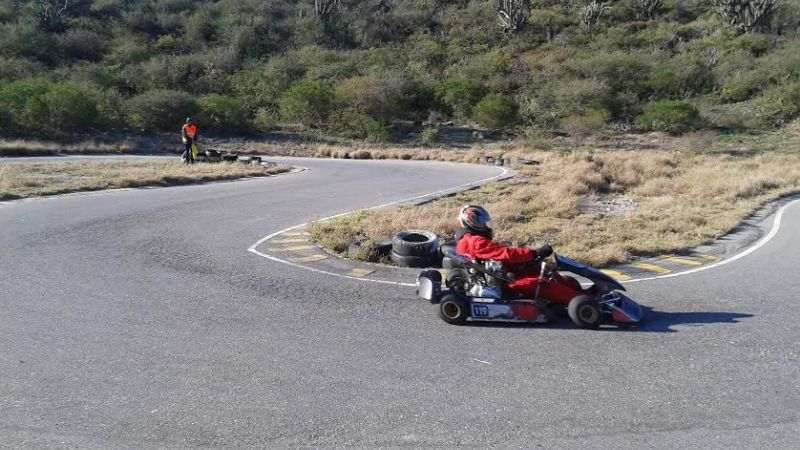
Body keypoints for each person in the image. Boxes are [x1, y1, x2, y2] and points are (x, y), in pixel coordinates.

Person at [454, 204, 582, 322]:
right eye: (481, 223)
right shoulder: (474, 242)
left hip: (502, 274)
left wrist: (529, 259)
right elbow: (506, 254)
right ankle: (582, 304)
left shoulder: (468, 240)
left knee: (545, 271)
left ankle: (580, 296)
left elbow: (499, 257)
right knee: (542, 283)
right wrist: (533, 253)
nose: (486, 227)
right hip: (503, 285)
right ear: (471, 222)